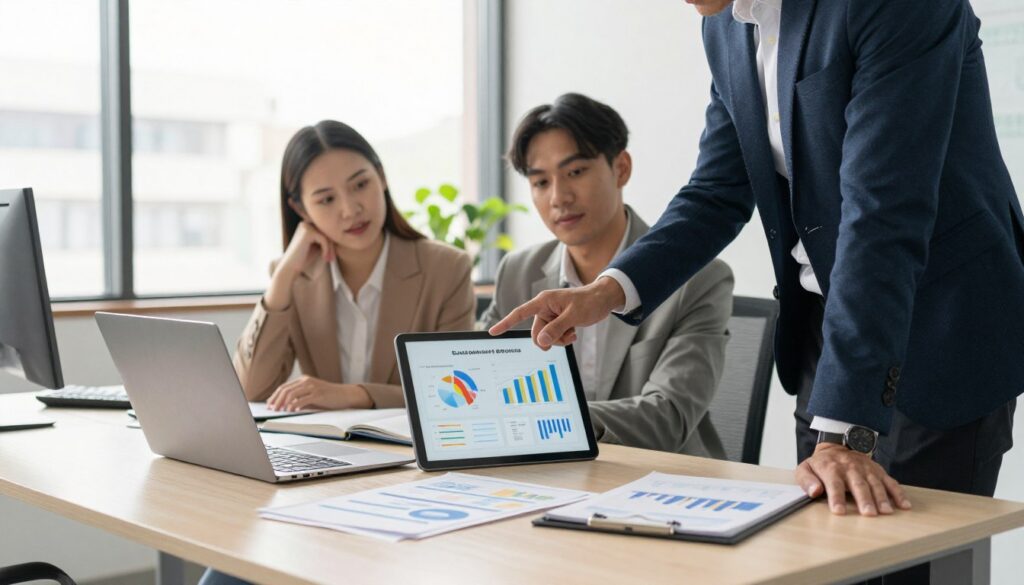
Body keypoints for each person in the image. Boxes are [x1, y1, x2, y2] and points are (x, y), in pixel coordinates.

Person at [491, 0, 1024, 538]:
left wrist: (843, 433)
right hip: (825, 326)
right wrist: (604, 292)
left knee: (913, 559)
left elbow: (881, 213)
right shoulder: (724, 25)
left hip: (942, 326)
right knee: (825, 552)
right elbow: (718, 189)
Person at [479, 93, 734, 457]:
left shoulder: (697, 279)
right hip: (547, 475)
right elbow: (478, 379)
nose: (559, 197)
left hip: (664, 481)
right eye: (540, 183)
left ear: (621, 168)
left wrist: (552, 420)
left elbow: (669, 417)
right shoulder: (518, 273)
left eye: (576, 172)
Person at [234, 120, 476, 412]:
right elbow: (251, 389)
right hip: (328, 451)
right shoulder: (294, 277)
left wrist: (356, 395)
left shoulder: (447, 268)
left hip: (411, 453)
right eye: (326, 199)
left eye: (360, 185)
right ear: (300, 209)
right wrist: (284, 275)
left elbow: (457, 390)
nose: (350, 210)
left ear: (382, 177)